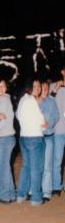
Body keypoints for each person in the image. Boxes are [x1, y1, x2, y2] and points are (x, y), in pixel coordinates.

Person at [16, 79, 47, 206]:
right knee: (36, 169)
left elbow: (18, 116)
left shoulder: (22, 100)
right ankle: (36, 198)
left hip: (24, 137)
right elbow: (42, 122)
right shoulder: (32, 101)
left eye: (39, 86)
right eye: (35, 86)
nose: (38, 88)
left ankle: (21, 195)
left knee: (26, 167)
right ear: (29, 87)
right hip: (35, 137)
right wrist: (45, 125)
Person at [0, 79, 17, 204]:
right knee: (5, 166)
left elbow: (1, 122)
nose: (1, 88)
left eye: (3, 86)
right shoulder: (0, 100)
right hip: (7, 137)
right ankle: (10, 194)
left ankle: (4, 195)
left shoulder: (3, 100)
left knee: (2, 167)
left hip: (3, 137)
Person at [38, 80, 60, 201]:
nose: (45, 91)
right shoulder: (33, 101)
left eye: (47, 88)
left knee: (47, 165)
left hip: (48, 137)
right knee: (36, 165)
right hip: (35, 138)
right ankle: (35, 189)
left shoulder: (51, 101)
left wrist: (49, 124)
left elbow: (56, 115)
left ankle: (46, 191)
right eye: (43, 88)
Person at [50, 65, 65, 196]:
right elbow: (46, 101)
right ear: (62, 71)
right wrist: (54, 91)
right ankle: (56, 186)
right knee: (57, 160)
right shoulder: (54, 86)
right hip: (59, 130)